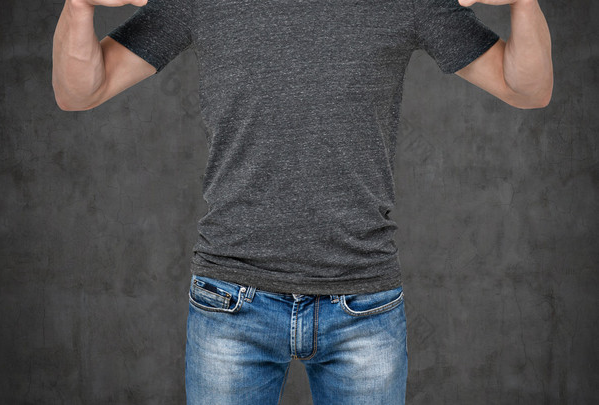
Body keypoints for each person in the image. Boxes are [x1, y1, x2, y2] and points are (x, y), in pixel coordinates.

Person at [52, 0, 552, 403]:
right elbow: (80, 91)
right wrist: (78, 7)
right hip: (231, 300)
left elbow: (526, 88)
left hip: (362, 304)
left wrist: (524, 3)